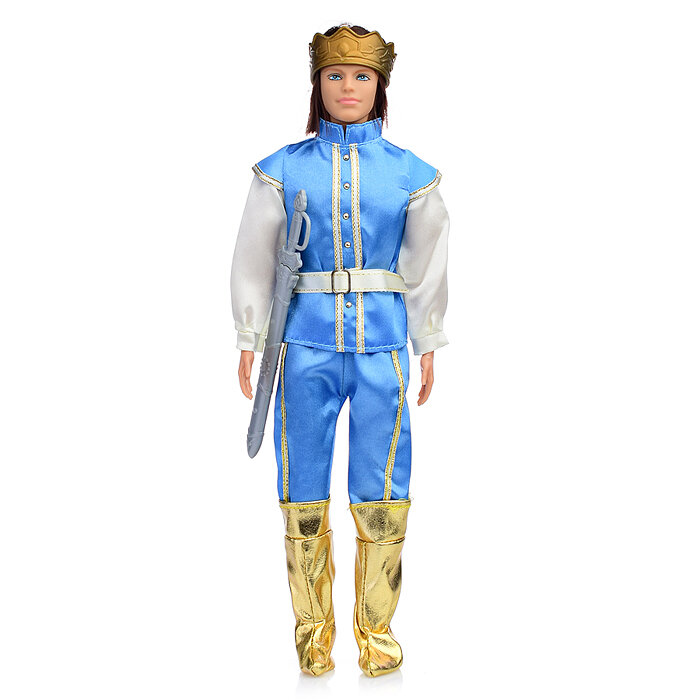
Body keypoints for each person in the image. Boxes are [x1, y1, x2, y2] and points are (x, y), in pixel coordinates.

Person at [230, 24, 449, 677]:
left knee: (384, 491)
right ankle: (313, 636)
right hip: (303, 346)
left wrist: (427, 337)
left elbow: (427, 262)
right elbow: (254, 256)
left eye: (360, 76)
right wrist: (250, 335)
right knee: (301, 489)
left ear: (380, 85)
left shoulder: (410, 174)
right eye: (335, 75)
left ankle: (376, 634)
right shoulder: (281, 169)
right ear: (317, 83)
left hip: (382, 344)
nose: (347, 87)